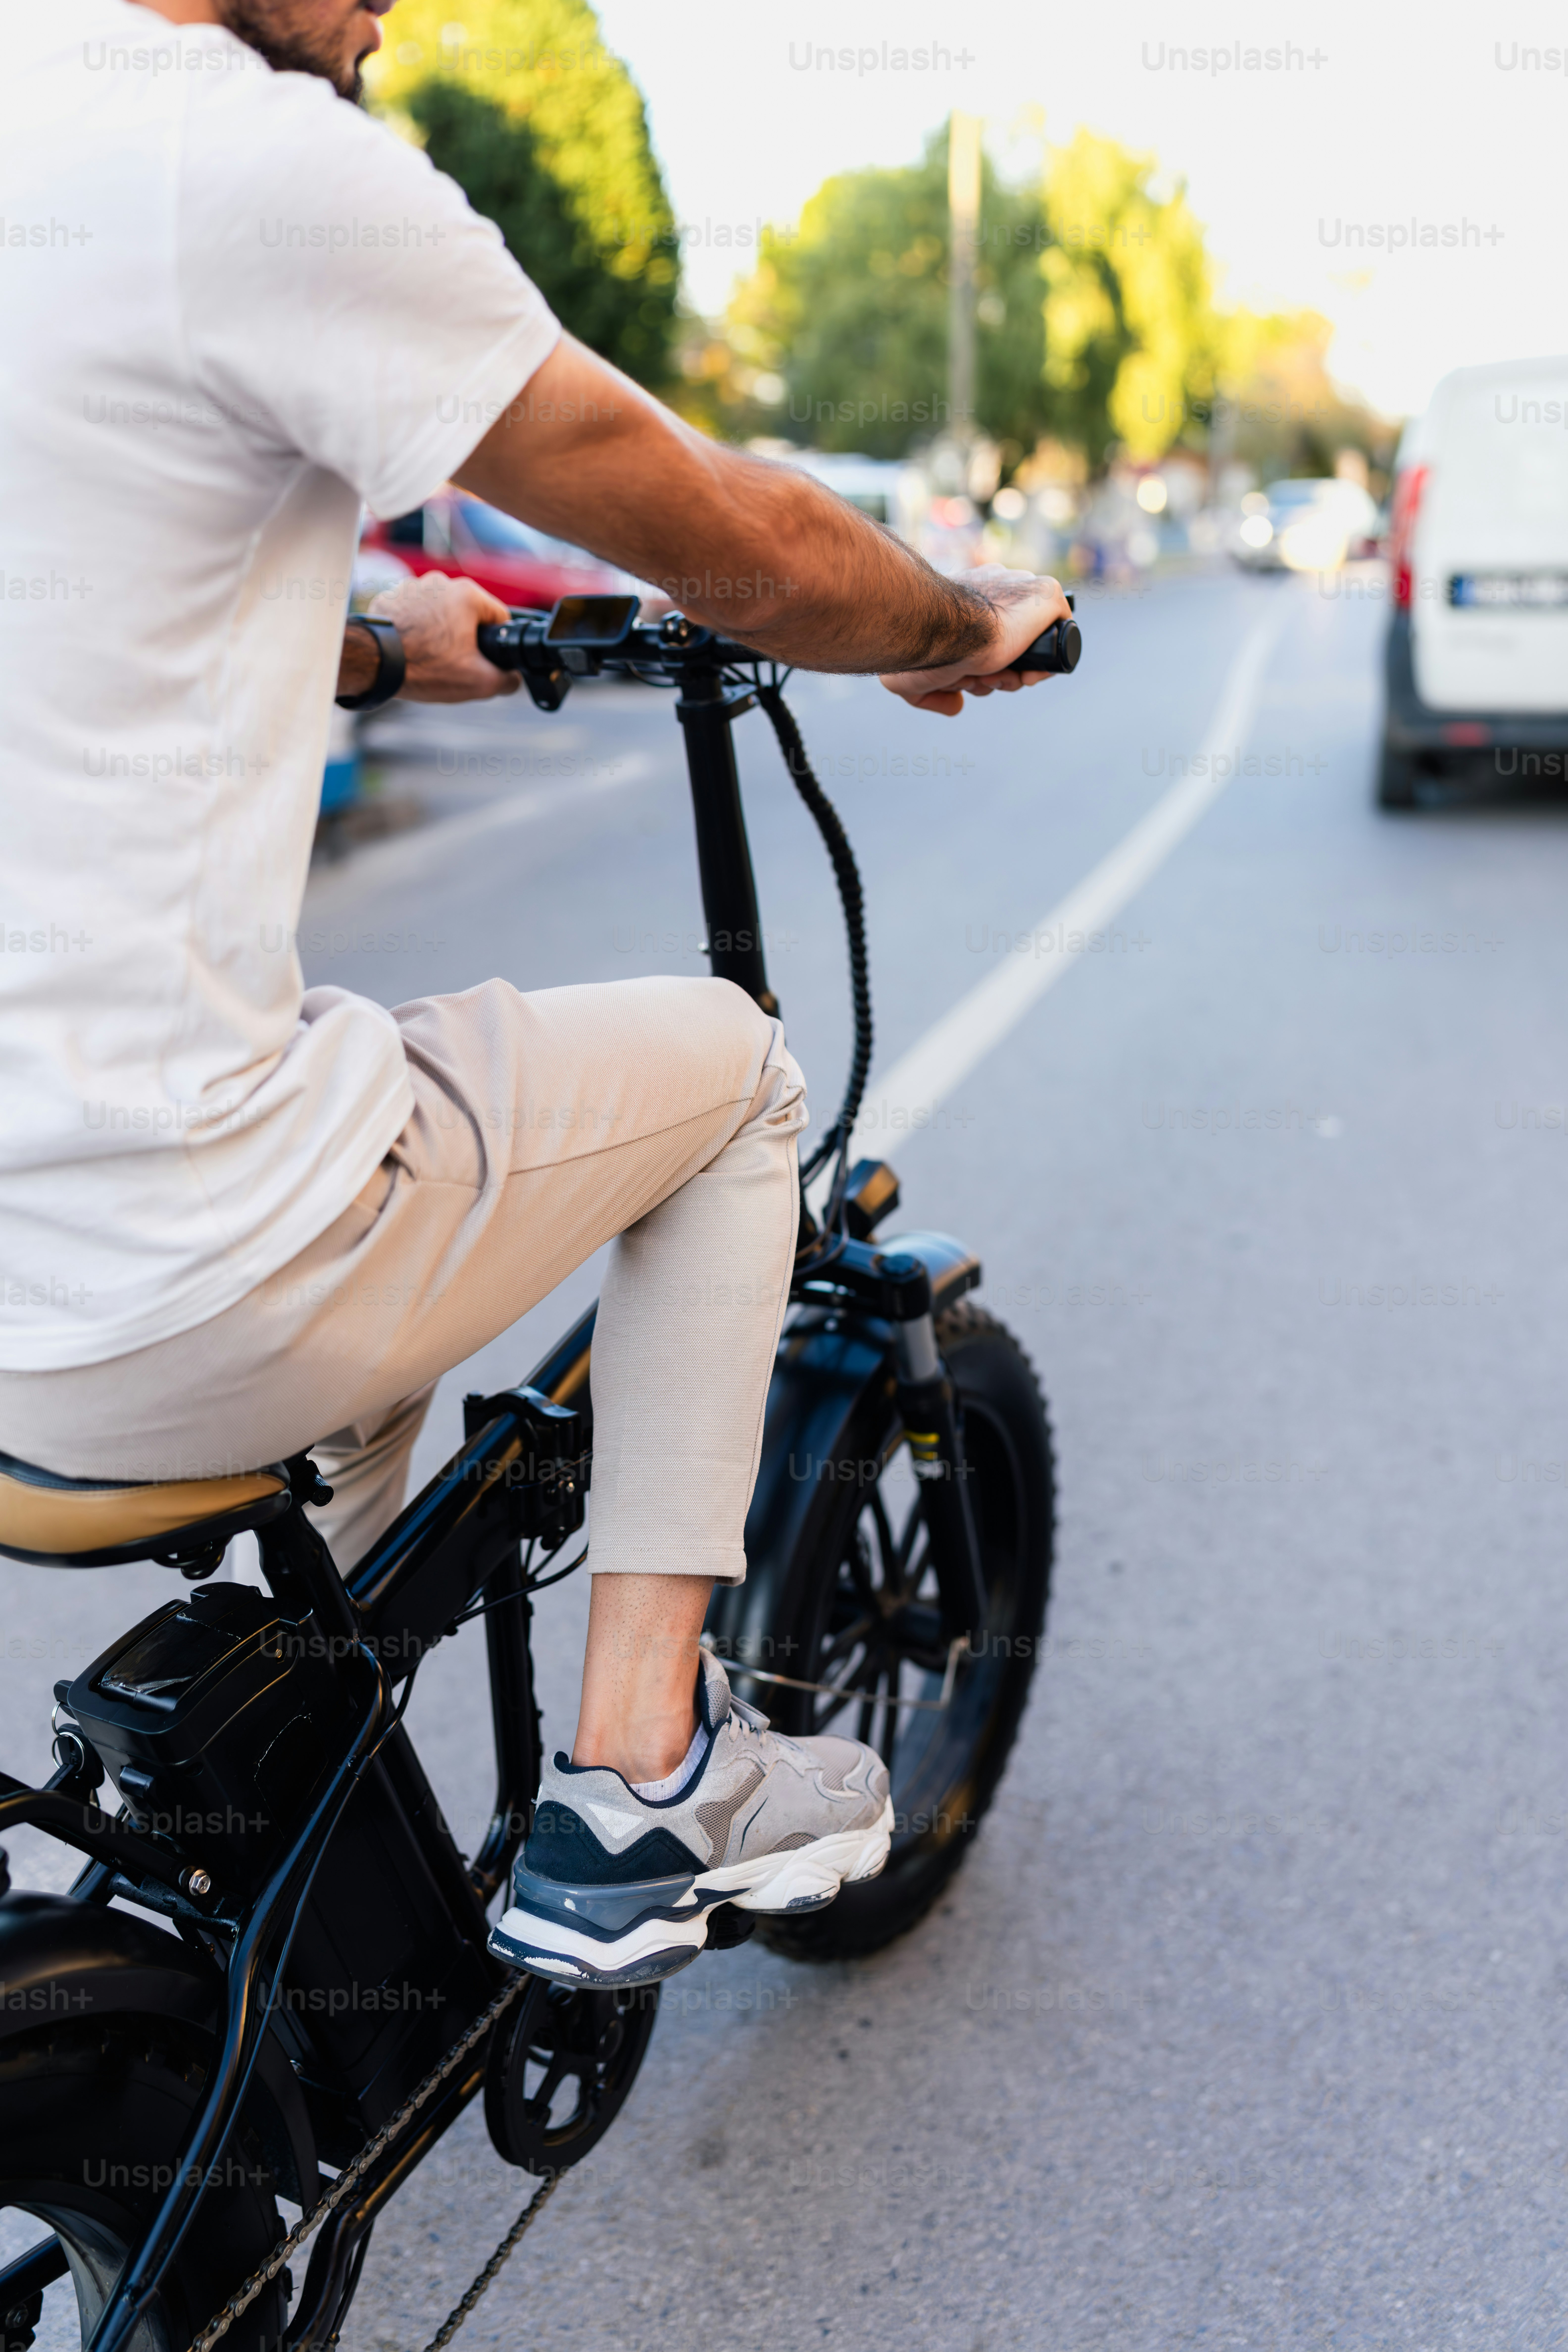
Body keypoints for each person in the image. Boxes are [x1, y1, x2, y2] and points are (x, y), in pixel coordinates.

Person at [0, 0, 1070, 1986]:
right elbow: (729, 530)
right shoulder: (246, 162)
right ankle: (640, 1784)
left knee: (367, 1149)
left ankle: (295, 1815)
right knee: (737, 1079)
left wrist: (370, 651)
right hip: (173, 1274)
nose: (388, 10)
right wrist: (947, 620)